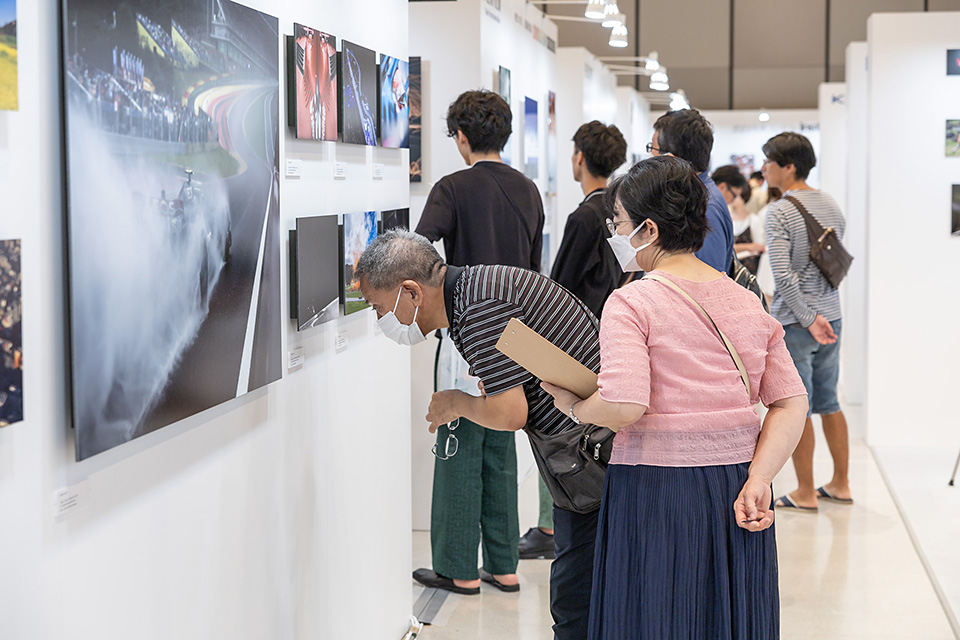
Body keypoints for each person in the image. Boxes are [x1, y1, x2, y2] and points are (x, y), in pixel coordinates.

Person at [541, 155, 809, 639]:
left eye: (618, 223)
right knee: (724, 618)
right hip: (738, 483)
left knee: (658, 614)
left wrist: (576, 406)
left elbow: (625, 404)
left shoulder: (632, 301)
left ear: (648, 229)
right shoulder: (745, 299)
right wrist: (761, 478)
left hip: (656, 485)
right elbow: (791, 402)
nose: (615, 234)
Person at [356, 231, 605, 640]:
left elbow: (510, 414)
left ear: (411, 292)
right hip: (588, 449)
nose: (381, 319)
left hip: (591, 456)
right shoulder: (474, 291)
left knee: (575, 600)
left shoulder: (477, 310)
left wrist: (456, 403)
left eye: (378, 307)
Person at [413, 90, 544, 596]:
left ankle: (459, 568)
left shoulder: (452, 187)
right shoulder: (529, 191)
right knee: (502, 446)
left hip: (466, 332)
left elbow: (417, 252)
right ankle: (505, 564)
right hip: (519, 338)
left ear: (462, 137)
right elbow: (533, 269)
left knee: (457, 444)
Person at [516, 121, 626, 561]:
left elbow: (557, 287)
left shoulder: (584, 216)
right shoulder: (616, 209)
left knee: (560, 434)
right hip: (607, 337)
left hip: (573, 343)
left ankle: (552, 522)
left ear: (579, 156)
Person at [762, 132, 853, 512]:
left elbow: (783, 277)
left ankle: (804, 491)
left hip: (798, 322)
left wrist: (807, 317)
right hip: (832, 315)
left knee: (797, 406)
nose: (763, 168)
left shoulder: (780, 211)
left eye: (769, 161)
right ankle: (841, 484)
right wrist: (819, 315)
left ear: (789, 167)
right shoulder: (830, 203)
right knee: (829, 401)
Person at [648, 109, 733, 272]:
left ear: (670, 159)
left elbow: (708, 279)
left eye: (652, 149)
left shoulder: (705, 208)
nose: (651, 158)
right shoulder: (694, 196)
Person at [713, 164, 765, 275]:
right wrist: (749, 247)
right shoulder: (716, 212)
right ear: (723, 187)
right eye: (734, 195)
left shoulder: (753, 220)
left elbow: (760, 248)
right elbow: (719, 248)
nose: (733, 200)